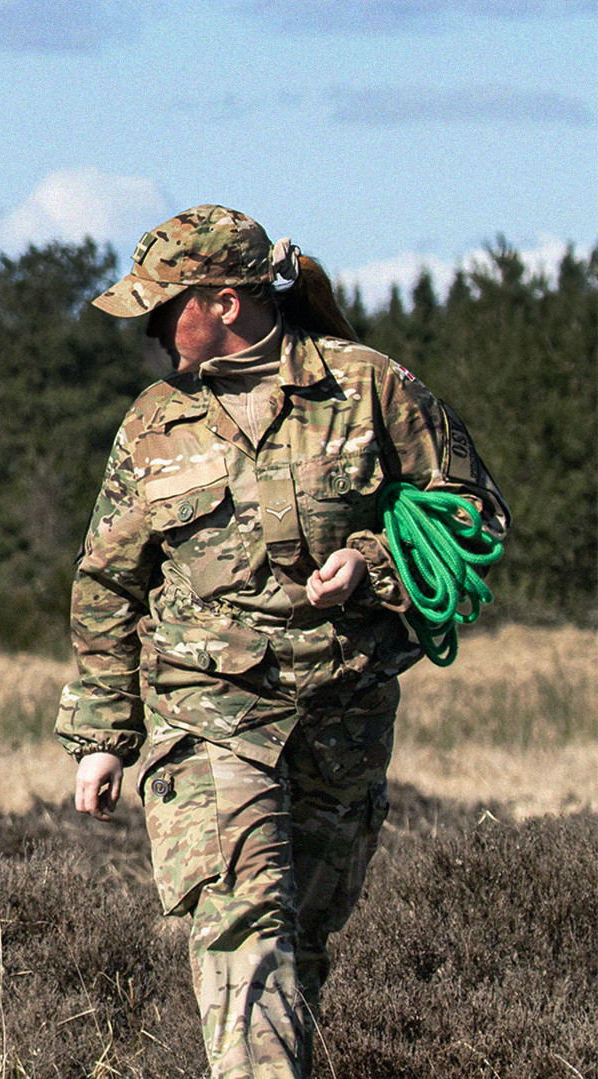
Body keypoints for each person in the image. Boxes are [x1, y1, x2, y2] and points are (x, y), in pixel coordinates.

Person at [55, 205, 508, 1078]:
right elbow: (107, 584)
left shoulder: (368, 385)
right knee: (239, 924)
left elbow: (473, 511)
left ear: (226, 301)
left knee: (300, 941)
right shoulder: (152, 425)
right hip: (205, 714)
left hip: (341, 719)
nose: (151, 330)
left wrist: (371, 562)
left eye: (164, 308)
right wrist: (103, 737)